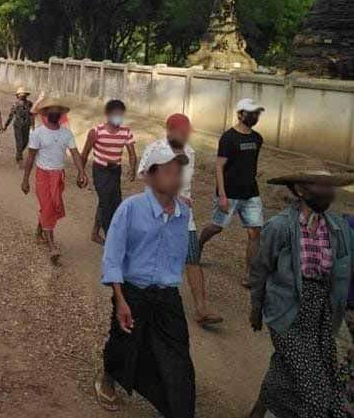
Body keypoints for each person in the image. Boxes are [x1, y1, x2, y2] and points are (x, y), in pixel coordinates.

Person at [247, 165, 354, 418]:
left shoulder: (336, 228)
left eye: (331, 187)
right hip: (288, 312)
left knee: (294, 369)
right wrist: (256, 307)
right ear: (300, 190)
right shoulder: (281, 226)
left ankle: (258, 411)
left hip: (321, 315)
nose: (329, 193)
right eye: (321, 187)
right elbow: (260, 269)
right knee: (315, 392)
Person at [96, 147, 194, 416]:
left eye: (178, 171)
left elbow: (178, 256)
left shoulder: (183, 214)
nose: (175, 177)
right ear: (150, 176)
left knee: (177, 355)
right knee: (124, 342)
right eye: (167, 171)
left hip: (167, 294)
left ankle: (176, 408)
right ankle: (109, 376)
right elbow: (113, 257)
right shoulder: (131, 208)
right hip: (132, 292)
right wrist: (120, 300)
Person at [138, 114, 222, 326]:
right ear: (169, 131)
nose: (186, 137)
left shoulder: (190, 153)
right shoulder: (154, 150)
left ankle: (201, 308)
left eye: (187, 133)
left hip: (184, 217)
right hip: (157, 214)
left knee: (192, 259)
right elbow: (146, 178)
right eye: (182, 132)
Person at [198, 97, 265, 287]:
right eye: (250, 113)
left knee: (254, 233)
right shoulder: (228, 138)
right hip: (230, 193)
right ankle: (199, 244)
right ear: (240, 114)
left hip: (251, 193)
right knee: (217, 227)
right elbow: (219, 167)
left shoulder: (257, 138)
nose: (254, 116)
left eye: (256, 113)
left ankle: (249, 275)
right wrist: (222, 195)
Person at [20, 97, 88, 264]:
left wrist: (82, 172)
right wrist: (25, 180)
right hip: (43, 175)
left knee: (49, 206)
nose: (54, 113)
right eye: (51, 111)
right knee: (49, 206)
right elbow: (30, 158)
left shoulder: (66, 133)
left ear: (60, 115)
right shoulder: (37, 134)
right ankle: (52, 247)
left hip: (58, 176)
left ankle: (39, 232)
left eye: (57, 111)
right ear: (46, 114)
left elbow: (75, 153)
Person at [81, 99, 138, 244]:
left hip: (115, 172)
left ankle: (95, 233)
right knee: (107, 204)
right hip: (100, 171)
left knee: (115, 203)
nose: (118, 117)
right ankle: (112, 239)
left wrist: (132, 169)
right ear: (108, 115)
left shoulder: (126, 132)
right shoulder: (96, 131)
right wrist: (81, 173)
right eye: (115, 114)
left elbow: (132, 153)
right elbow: (85, 153)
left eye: (121, 114)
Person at [3, 87, 34, 167]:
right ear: (18, 95)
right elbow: (11, 116)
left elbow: (32, 115)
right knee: (19, 142)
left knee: (25, 142)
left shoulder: (30, 104)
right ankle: (20, 159)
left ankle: (18, 154)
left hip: (26, 125)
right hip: (18, 126)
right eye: (21, 94)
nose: (22, 95)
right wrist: (5, 125)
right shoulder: (15, 105)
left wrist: (32, 125)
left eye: (23, 94)